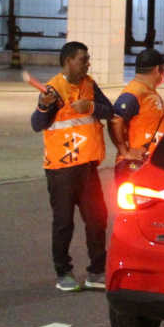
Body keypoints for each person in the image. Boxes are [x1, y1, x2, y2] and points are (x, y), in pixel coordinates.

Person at [29, 41, 114, 292]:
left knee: (97, 219)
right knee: (64, 222)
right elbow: (37, 123)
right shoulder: (54, 89)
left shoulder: (89, 84)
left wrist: (91, 107)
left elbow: (108, 110)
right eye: (83, 59)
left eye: (88, 59)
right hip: (61, 169)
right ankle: (63, 272)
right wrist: (44, 105)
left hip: (87, 166)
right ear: (68, 61)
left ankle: (97, 271)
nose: (88, 63)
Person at [110, 48, 164, 187]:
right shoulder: (135, 92)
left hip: (148, 163)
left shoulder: (147, 91)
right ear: (157, 69)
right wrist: (124, 151)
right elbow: (115, 119)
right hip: (136, 166)